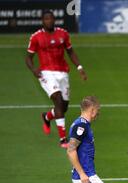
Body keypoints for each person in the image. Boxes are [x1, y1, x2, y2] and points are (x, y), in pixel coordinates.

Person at [26, 10, 87, 148]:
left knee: (63, 107)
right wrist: (34, 69)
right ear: (42, 21)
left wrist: (79, 67)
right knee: (58, 99)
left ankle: (47, 117)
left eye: (51, 19)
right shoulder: (36, 37)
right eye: (46, 19)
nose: (49, 21)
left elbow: (70, 51)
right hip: (46, 73)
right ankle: (63, 140)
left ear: (54, 20)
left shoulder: (63, 34)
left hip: (62, 73)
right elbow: (28, 57)